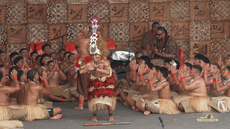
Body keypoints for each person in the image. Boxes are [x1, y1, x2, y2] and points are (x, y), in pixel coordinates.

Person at [79, 18, 116, 121]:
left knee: (108, 100)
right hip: (95, 82)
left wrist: (95, 68)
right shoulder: (90, 62)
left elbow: (108, 72)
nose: (95, 58)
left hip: (106, 81)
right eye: (93, 56)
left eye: (97, 57)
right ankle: (94, 116)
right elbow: (81, 71)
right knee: (95, 100)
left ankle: (111, 115)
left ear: (101, 55)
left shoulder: (105, 62)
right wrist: (88, 69)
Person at [73, 27, 92, 110]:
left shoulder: (83, 40)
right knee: (92, 83)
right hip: (93, 61)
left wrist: (82, 34)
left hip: (84, 61)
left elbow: (74, 42)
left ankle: (80, 105)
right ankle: (93, 103)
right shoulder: (97, 40)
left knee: (82, 83)